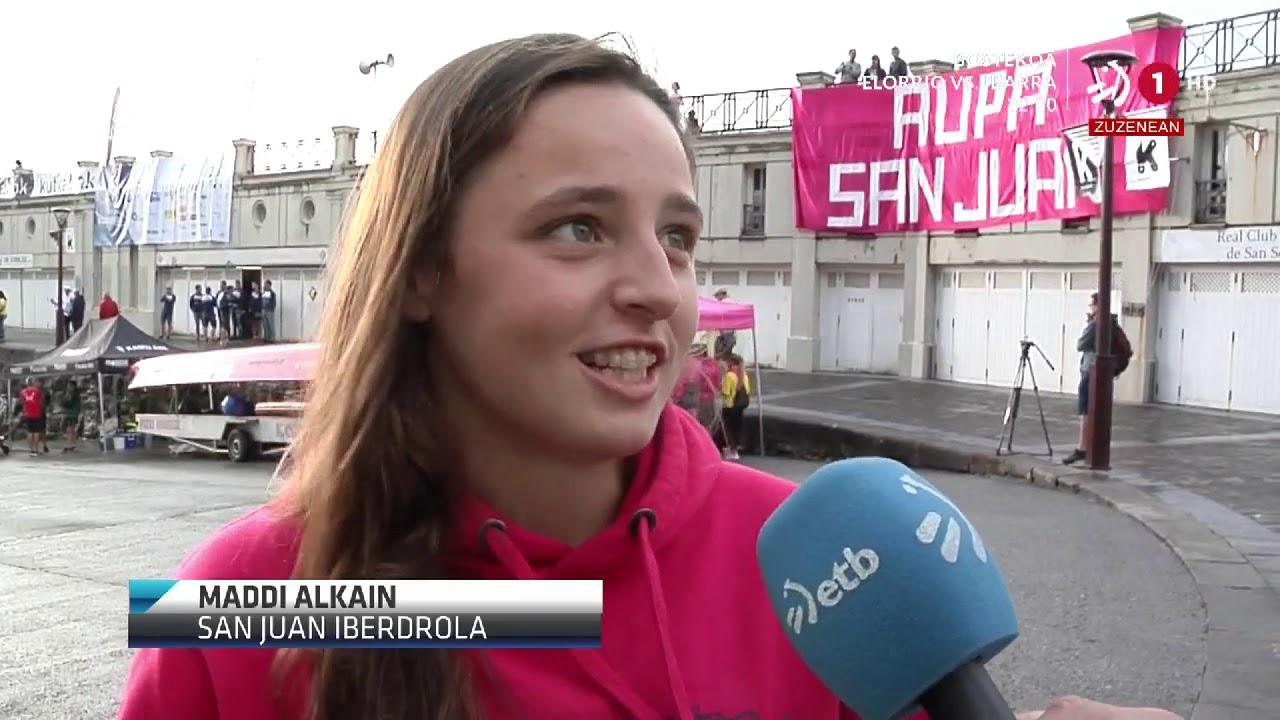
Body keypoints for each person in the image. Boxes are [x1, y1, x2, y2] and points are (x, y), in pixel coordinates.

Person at [118, 33, 1183, 720]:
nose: (656, 289)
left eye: (675, 235)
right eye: (577, 229)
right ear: (420, 274)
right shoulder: (239, 608)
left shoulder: (825, 575)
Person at [1063, 293, 1131, 466]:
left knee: (1085, 411)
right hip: (1105, 374)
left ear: (1099, 306)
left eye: (1092, 305)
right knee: (1098, 411)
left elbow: (1081, 345)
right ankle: (1092, 446)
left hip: (1090, 371)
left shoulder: (1096, 325)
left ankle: (1082, 448)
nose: (1090, 309)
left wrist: (1090, 326)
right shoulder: (1113, 324)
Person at [719, 353, 750, 460]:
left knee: (728, 428)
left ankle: (728, 449)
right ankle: (735, 450)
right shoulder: (744, 375)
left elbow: (725, 392)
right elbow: (748, 391)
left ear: (731, 362)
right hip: (739, 405)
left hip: (729, 405)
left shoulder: (729, 376)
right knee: (737, 427)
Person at [18, 378, 46, 457]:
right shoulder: (38, 391)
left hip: (28, 414)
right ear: (33, 382)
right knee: (36, 433)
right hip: (37, 414)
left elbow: (21, 402)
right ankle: (36, 450)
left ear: (26, 383)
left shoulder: (22, 392)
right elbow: (41, 402)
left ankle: (31, 449)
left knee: (30, 432)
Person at [60, 379, 81, 452]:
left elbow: (68, 403)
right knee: (71, 429)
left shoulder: (74, 395)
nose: (68, 387)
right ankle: (72, 444)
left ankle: (69, 444)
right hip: (68, 413)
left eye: (70, 385)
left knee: (70, 429)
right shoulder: (67, 393)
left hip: (72, 414)